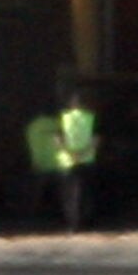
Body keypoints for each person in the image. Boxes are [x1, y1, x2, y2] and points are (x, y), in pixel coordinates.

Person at [55, 93, 99, 231]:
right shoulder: (91, 118)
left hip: (67, 161)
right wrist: (83, 154)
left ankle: (72, 225)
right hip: (86, 160)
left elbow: (57, 140)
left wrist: (70, 154)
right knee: (85, 192)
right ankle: (85, 223)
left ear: (71, 105)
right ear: (84, 105)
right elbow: (96, 140)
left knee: (69, 194)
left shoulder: (63, 118)